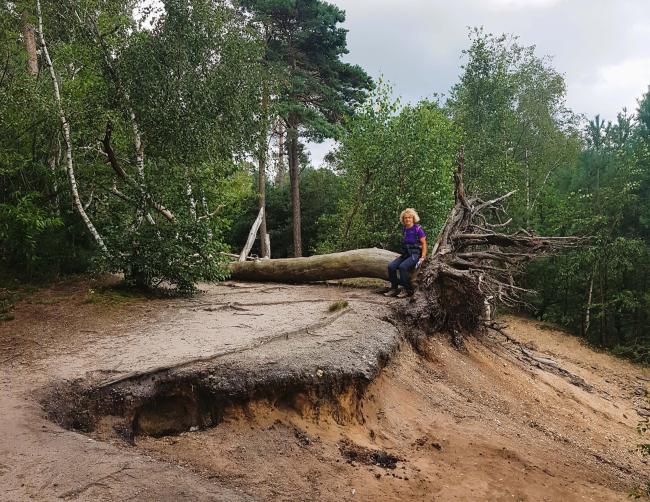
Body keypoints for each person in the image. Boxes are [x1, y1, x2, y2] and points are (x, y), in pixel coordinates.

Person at [384, 208, 427, 298]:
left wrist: (422, 257)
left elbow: (424, 244)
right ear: (403, 219)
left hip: (415, 254)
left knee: (403, 267)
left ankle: (407, 290)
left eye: (409, 217)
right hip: (406, 254)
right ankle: (394, 289)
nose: (407, 219)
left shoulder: (418, 229)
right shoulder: (404, 229)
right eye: (405, 218)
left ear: (413, 218)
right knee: (391, 266)